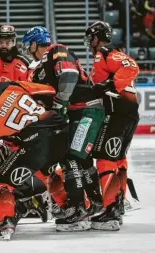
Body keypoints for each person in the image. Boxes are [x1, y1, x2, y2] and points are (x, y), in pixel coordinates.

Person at [0, 74, 69, 238]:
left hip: (36, 145)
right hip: (61, 130)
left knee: (2, 183)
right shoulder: (6, 85)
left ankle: (6, 222)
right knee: (48, 176)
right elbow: (49, 89)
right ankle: (72, 210)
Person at [22, 26, 105, 231]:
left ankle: (77, 210)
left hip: (86, 109)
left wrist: (59, 103)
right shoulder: (38, 68)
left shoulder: (55, 50)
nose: (26, 48)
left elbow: (68, 75)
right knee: (81, 158)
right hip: (76, 112)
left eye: (28, 44)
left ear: (34, 43)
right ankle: (96, 203)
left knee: (71, 156)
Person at [84, 21, 140, 231]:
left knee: (106, 158)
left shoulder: (105, 53)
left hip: (117, 113)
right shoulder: (109, 54)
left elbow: (131, 66)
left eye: (90, 38)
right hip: (127, 113)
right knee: (119, 158)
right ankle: (118, 204)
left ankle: (111, 210)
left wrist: (111, 84)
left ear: (97, 37)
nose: (89, 43)